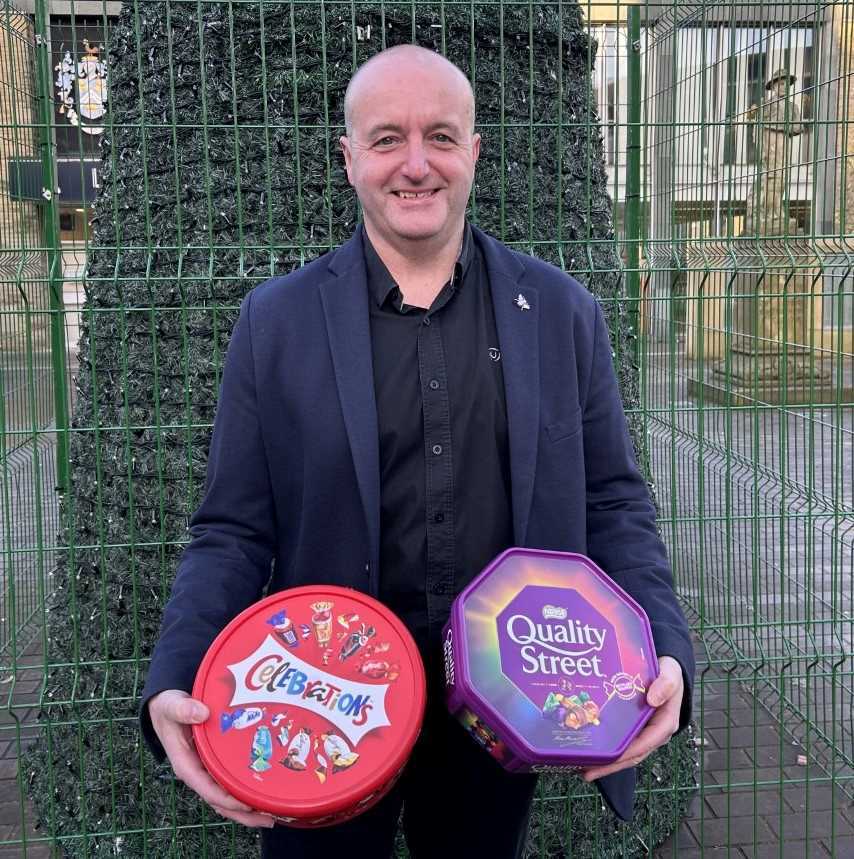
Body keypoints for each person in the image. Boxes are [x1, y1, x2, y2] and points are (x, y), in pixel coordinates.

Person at [140, 45, 695, 859]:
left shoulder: (561, 314)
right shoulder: (275, 324)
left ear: (474, 150)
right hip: (326, 712)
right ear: (349, 158)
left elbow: (613, 501)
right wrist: (177, 672)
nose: (415, 164)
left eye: (440, 135)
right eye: (386, 138)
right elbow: (231, 528)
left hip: (501, 717)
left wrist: (667, 650)